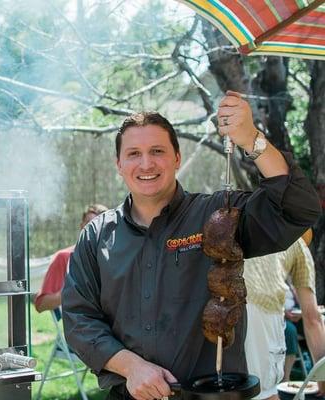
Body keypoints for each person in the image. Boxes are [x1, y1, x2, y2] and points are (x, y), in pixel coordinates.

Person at [61, 90, 321, 400]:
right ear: (119, 164)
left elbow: (298, 209)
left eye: (157, 151)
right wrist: (131, 367)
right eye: (133, 154)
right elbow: (79, 320)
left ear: (177, 158)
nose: (146, 163)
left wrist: (251, 138)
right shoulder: (96, 236)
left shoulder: (218, 216)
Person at [243, 229, 325, 399]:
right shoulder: (298, 243)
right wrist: (322, 377)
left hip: (215, 309)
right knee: (265, 393)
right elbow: (312, 318)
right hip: (262, 316)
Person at [34, 204, 108, 313]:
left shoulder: (115, 257)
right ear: (81, 226)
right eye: (89, 224)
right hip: (83, 325)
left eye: (99, 225)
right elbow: (41, 304)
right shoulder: (64, 257)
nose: (94, 230)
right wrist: (71, 292)